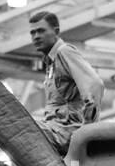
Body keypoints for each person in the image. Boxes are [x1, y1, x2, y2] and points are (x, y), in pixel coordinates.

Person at [28, 10, 103, 155]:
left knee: (24, 130)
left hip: (68, 131)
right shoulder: (51, 62)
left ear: (56, 31)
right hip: (55, 129)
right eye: (33, 33)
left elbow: (94, 85)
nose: (36, 36)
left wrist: (87, 131)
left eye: (41, 31)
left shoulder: (64, 52)